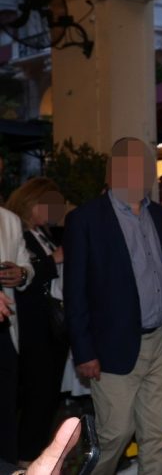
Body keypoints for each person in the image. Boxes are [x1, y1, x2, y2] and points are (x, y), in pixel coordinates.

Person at [64, 137, 162, 475]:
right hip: (113, 345)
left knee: (158, 435)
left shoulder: (160, 216)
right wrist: (83, 351)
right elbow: (75, 292)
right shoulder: (86, 220)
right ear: (112, 172)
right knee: (115, 434)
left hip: (160, 340)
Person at [5, 178, 67, 467]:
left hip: (51, 326)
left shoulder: (43, 233)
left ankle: (34, 458)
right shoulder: (18, 232)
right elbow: (24, 277)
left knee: (47, 397)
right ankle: (25, 459)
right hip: (32, 328)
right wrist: (53, 260)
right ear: (32, 203)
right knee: (37, 396)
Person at [0, 197, 35, 466]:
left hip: (5, 330)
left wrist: (22, 274)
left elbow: (26, 263)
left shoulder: (9, 220)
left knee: (6, 410)